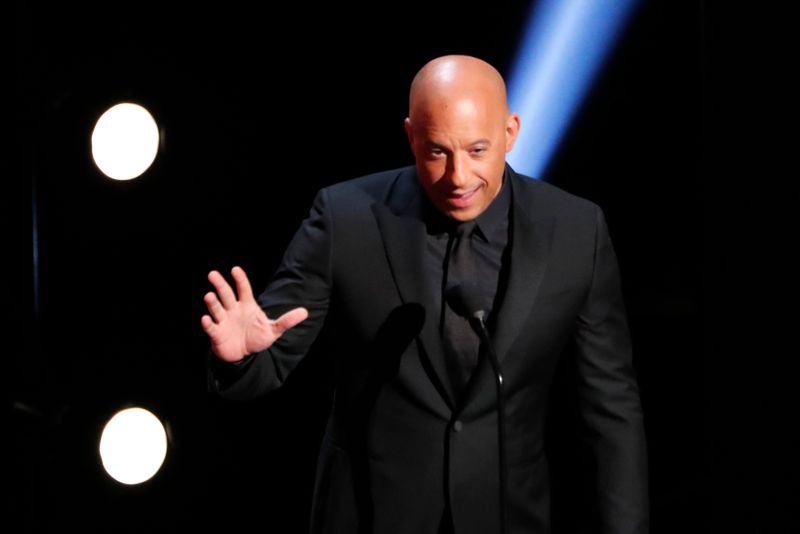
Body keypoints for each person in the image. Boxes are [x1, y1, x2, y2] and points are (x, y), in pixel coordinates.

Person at [202, 55, 649, 534]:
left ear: (510, 132)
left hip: (508, 515)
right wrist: (240, 359)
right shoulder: (345, 218)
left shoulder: (576, 231)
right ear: (411, 135)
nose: (458, 177)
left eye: (477, 150)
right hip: (369, 514)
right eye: (437, 151)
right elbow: (269, 363)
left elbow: (611, 406)